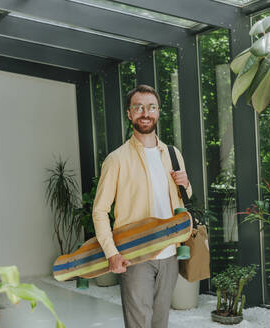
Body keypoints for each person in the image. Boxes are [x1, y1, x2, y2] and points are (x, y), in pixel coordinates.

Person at [92, 84, 191, 328]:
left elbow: (184, 198)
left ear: (158, 112)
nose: (145, 113)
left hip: (170, 254)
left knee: (160, 323)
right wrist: (111, 253)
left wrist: (187, 184)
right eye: (138, 107)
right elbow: (100, 211)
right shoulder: (116, 159)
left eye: (151, 107)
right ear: (129, 113)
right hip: (134, 256)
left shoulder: (172, 153)